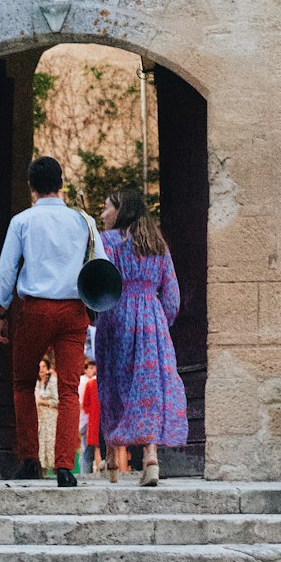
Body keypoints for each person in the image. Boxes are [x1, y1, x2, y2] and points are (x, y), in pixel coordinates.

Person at [0, 155, 105, 488]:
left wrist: (1, 311)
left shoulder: (22, 221)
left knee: (23, 384)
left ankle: (29, 460)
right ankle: (64, 467)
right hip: (73, 310)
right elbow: (102, 264)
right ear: (62, 182)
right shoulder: (83, 221)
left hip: (34, 310)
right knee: (70, 390)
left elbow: (6, 270)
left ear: (31, 187)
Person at [95, 186, 187, 487]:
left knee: (114, 383)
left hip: (116, 315)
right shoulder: (157, 244)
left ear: (121, 210)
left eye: (107, 207)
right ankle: (150, 457)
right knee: (146, 386)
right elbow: (172, 295)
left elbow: (96, 283)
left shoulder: (107, 242)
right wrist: (160, 319)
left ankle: (111, 457)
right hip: (151, 320)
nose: (103, 212)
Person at [34, 356, 58, 478]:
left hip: (50, 416)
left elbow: (57, 400)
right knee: (40, 442)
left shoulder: (52, 382)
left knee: (51, 441)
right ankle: (41, 470)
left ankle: (55, 470)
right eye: (39, 367)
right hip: (40, 417)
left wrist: (42, 401)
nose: (41, 369)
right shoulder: (37, 383)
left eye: (44, 366)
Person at [80, 359, 101, 474]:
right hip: (94, 419)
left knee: (92, 447)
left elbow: (85, 404)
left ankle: (95, 470)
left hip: (91, 419)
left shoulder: (90, 383)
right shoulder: (87, 382)